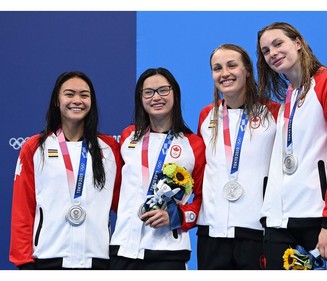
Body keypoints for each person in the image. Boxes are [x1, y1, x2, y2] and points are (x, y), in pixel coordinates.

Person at [256, 22, 327, 270]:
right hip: (282, 224)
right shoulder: (290, 97)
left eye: (278, 43)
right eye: (265, 50)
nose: (272, 53)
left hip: (323, 222)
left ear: (298, 43)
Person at [9, 71, 123, 269]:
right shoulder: (36, 147)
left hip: (99, 260)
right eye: (69, 94)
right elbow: (22, 208)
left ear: (91, 101)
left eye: (84, 95)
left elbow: (124, 205)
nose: (77, 100)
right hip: (47, 258)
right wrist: (23, 262)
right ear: (56, 100)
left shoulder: (109, 148)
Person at [109, 67, 205, 270]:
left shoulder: (194, 144)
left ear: (175, 94)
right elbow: (117, 189)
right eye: (149, 92)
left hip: (168, 252)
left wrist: (176, 216)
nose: (156, 97)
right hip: (123, 247)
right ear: (140, 98)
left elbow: (202, 199)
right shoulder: (128, 136)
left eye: (163, 90)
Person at [196, 43, 279, 269]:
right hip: (211, 229)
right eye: (217, 68)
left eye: (232, 65)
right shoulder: (206, 115)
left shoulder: (273, 112)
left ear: (247, 70)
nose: (225, 73)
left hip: (257, 228)